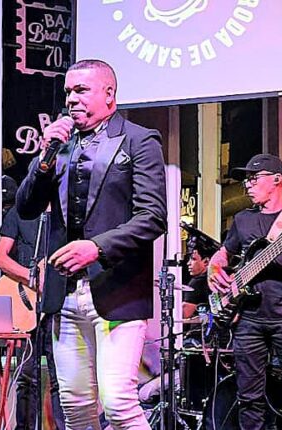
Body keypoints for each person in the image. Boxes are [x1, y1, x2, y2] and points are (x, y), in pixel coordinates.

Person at [16, 59, 167, 429]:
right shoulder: (60, 147)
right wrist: (44, 157)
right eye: (68, 91)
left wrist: (97, 247)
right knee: (76, 408)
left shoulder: (139, 140)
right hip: (65, 295)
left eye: (81, 90)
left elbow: (152, 216)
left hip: (117, 291)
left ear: (109, 94)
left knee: (118, 404)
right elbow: (26, 207)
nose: (71, 99)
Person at [208, 153, 282, 430]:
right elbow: (222, 255)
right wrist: (214, 271)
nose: (247, 184)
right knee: (248, 399)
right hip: (248, 318)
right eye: (246, 180)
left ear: (277, 180)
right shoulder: (242, 220)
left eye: (254, 178)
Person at [0, 175, 65, 430]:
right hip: (26, 304)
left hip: (57, 306)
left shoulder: (65, 219)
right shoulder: (19, 213)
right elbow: (0, 258)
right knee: (26, 376)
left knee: (61, 378)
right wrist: (30, 277)